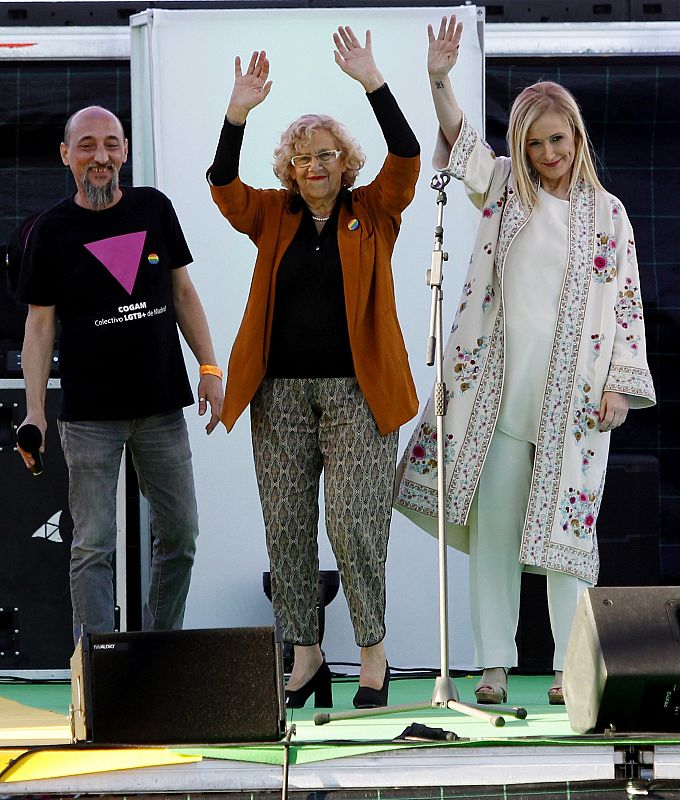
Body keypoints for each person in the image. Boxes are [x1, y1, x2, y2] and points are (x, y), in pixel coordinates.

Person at [395, 16, 655, 705]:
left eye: (558, 140)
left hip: (574, 401)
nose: (548, 153)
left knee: (570, 537)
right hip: (500, 396)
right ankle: (493, 666)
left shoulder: (610, 214)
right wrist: (438, 79)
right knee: (496, 534)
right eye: (536, 142)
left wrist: (622, 391)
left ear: (577, 136)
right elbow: (461, 143)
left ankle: (576, 670)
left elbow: (627, 304)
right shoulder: (507, 187)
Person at [207, 27, 419, 709]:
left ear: (345, 161)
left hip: (360, 393)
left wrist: (373, 82)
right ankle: (304, 657)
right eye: (303, 157)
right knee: (289, 525)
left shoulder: (376, 210)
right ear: (290, 169)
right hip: (280, 397)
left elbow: (409, 156)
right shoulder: (270, 215)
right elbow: (221, 185)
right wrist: (238, 113)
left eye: (327, 153)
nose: (316, 165)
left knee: (355, 524)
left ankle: (374, 654)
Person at [17, 106, 224, 643]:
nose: (101, 156)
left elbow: (182, 292)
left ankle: (159, 650)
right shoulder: (50, 231)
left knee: (181, 534)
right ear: (66, 155)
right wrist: (36, 410)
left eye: (111, 144)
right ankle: (97, 669)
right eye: (87, 145)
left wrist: (209, 365)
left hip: (161, 407)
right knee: (92, 544)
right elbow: (39, 327)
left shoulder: (155, 208)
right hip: (89, 417)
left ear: (125, 151)